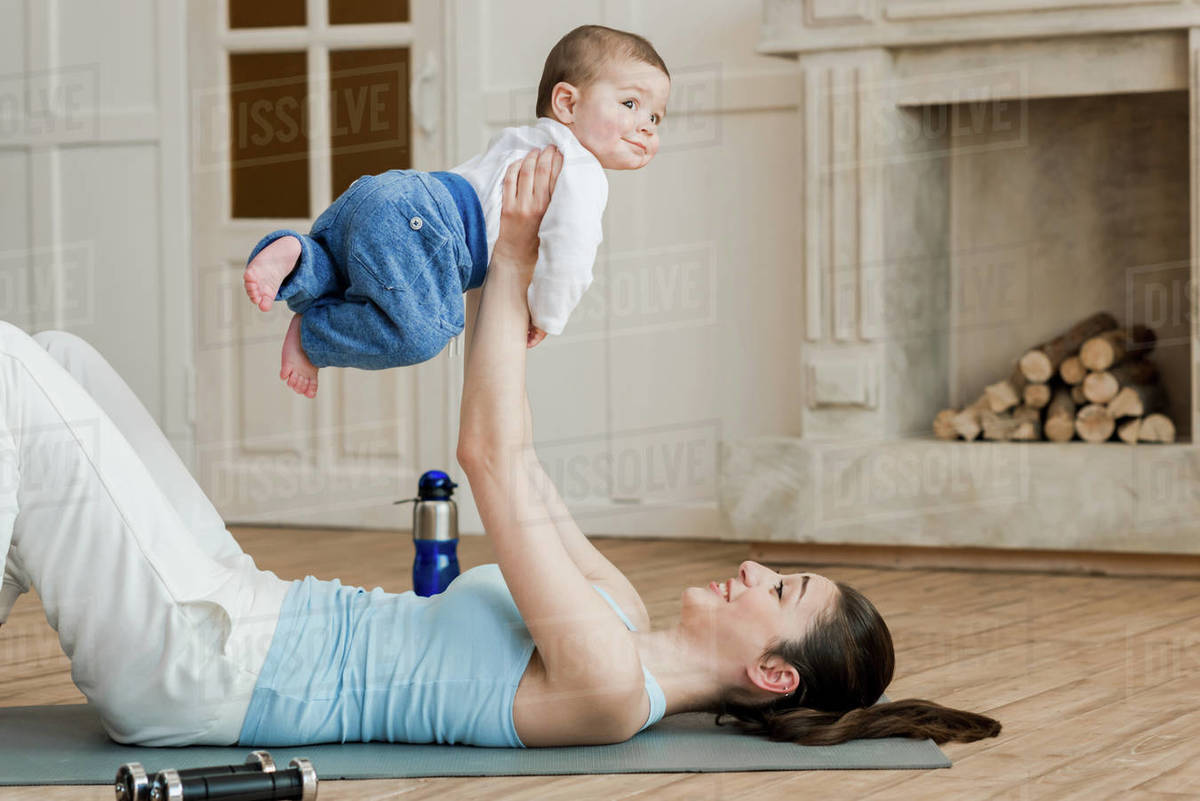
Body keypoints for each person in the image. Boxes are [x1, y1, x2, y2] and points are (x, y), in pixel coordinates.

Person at [0, 148, 999, 749]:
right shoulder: (623, 612)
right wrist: (488, 271)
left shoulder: (612, 688)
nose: (755, 568)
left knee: (10, 369)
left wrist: (512, 261)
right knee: (62, 360)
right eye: (782, 572)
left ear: (776, 676)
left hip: (204, 667)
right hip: (245, 604)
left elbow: (481, 459)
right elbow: (520, 463)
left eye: (782, 592)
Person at [242, 24, 671, 399]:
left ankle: (300, 258)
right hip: (428, 231)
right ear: (568, 103)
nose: (647, 125)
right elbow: (572, 252)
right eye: (630, 104)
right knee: (420, 334)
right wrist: (547, 314)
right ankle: (311, 337)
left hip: (392, 191)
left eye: (657, 116)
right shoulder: (582, 169)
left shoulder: (526, 138)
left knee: (343, 271)